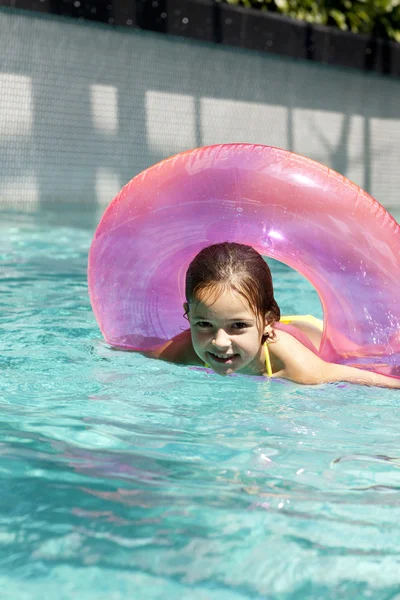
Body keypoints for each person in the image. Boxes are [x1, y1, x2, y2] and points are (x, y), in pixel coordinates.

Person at [146, 242, 400, 388]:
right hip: (264, 323)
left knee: (365, 353)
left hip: (314, 337)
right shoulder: (183, 349)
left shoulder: (298, 367)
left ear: (267, 322)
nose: (220, 342)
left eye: (237, 326)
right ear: (188, 315)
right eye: (204, 323)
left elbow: (350, 376)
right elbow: (127, 353)